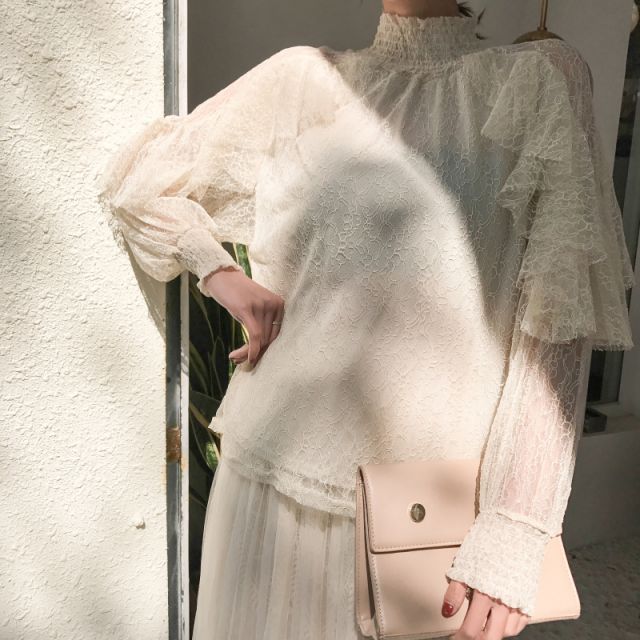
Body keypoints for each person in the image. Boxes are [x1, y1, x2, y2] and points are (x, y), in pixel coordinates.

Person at [97, 1, 636, 638]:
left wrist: (516, 526)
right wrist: (224, 276)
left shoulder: (540, 78)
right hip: (267, 481)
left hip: (421, 516)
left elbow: (556, 329)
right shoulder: (299, 79)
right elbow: (139, 183)